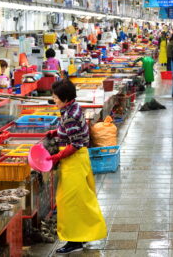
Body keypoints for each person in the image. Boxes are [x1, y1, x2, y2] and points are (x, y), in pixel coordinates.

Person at [46, 80, 107, 254]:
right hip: (78, 161)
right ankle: (84, 234)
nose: (53, 99)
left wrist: (57, 156)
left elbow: (76, 143)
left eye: (55, 97)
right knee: (81, 200)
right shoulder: (72, 108)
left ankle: (74, 240)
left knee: (70, 202)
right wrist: (56, 132)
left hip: (74, 161)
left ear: (65, 98)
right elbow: (73, 131)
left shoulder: (70, 114)